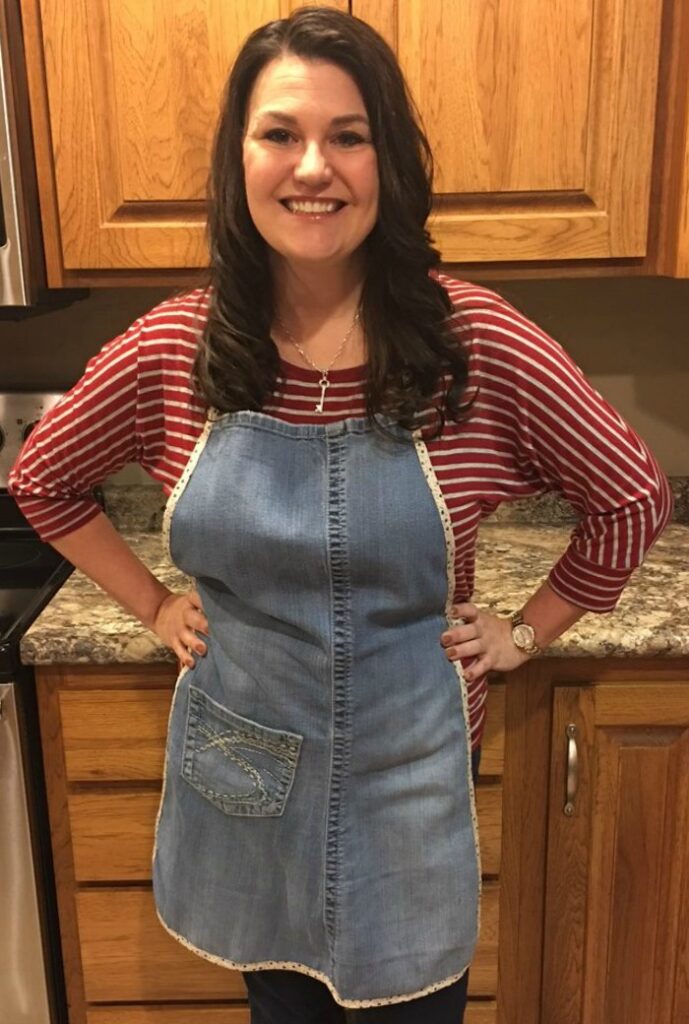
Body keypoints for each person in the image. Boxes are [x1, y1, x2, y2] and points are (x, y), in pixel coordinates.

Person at [9, 7, 672, 1023]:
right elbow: (44, 476)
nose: (310, 166)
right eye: (279, 133)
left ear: (387, 164)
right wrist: (150, 607)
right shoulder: (173, 349)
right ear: (240, 159)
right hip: (246, 774)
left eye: (347, 136)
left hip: (407, 783)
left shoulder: (473, 343)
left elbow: (627, 494)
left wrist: (523, 632)